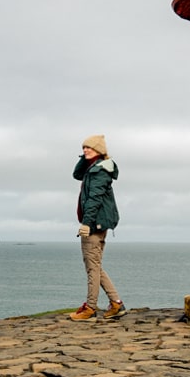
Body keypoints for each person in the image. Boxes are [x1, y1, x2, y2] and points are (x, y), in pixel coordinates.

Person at [70, 134, 126, 321]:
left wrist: (86, 224)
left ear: (100, 151)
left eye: (89, 148)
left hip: (94, 225)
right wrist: (85, 158)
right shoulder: (93, 168)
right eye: (84, 147)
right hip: (96, 223)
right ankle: (116, 303)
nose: (85, 150)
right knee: (95, 265)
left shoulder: (99, 171)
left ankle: (91, 308)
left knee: (92, 268)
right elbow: (76, 175)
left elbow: (94, 199)